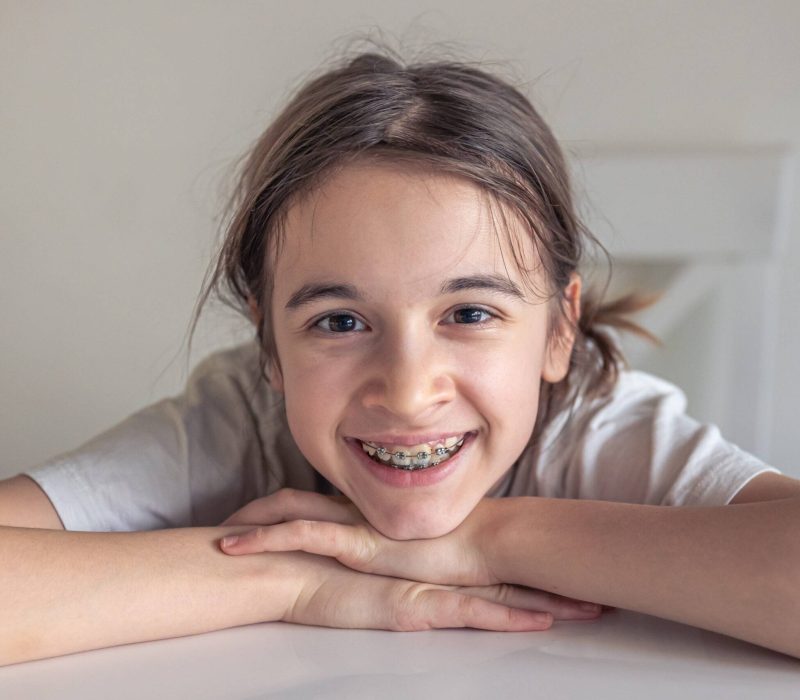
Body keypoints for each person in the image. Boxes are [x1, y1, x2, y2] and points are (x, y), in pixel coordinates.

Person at [2, 48, 799, 667]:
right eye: (341, 321)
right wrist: (295, 579)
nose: (410, 392)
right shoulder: (237, 422)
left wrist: (487, 540)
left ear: (559, 331)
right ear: (269, 346)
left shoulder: (598, 430)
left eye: (471, 312)